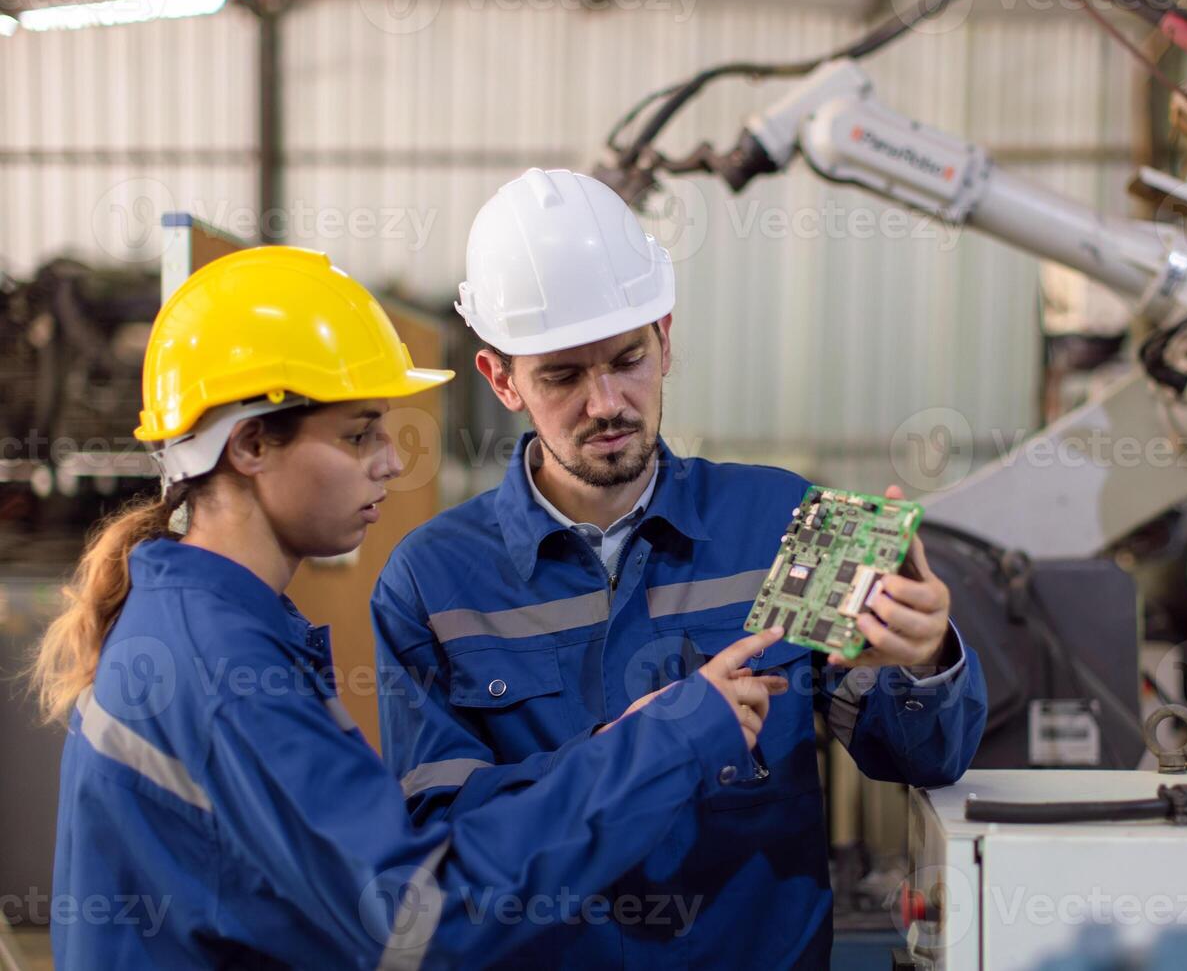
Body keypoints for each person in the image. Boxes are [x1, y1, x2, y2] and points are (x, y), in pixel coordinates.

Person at [32, 245, 786, 969]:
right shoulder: (224, 665)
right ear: (251, 445)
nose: (392, 461)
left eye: (627, 360)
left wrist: (633, 744)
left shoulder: (202, 625)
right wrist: (667, 744)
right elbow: (414, 921)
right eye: (359, 434)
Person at [373, 169, 988, 968]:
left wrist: (925, 662)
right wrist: (637, 748)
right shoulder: (431, 581)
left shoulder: (788, 517)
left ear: (665, 339)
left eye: (627, 358)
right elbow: (442, 846)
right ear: (502, 380)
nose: (606, 402)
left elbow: (922, 759)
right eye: (562, 374)